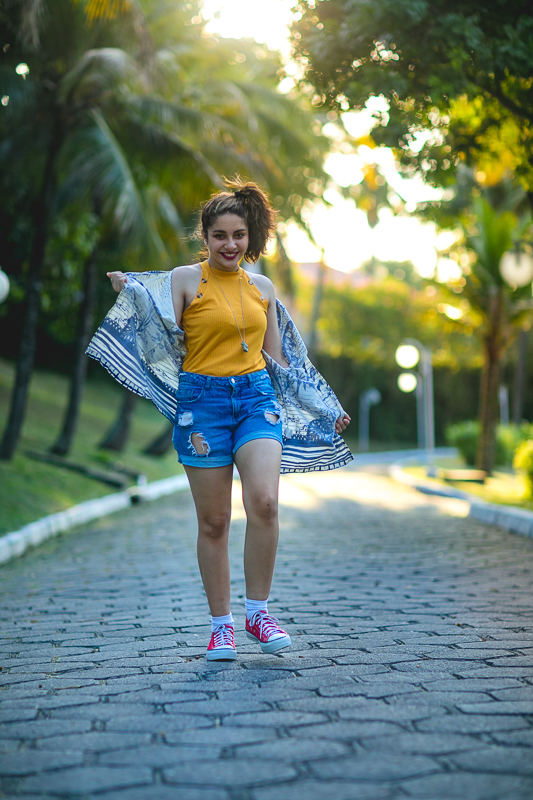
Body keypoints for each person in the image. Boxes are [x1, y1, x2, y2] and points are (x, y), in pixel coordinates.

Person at [90, 178, 351, 661]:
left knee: (265, 503)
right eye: (220, 236)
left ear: (250, 236)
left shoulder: (263, 287)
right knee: (214, 522)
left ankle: (258, 613)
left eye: (238, 235)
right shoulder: (185, 280)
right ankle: (221, 626)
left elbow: (282, 364)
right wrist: (134, 292)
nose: (230, 245)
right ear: (205, 237)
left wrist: (323, 407)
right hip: (202, 406)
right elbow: (160, 333)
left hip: (256, 400)